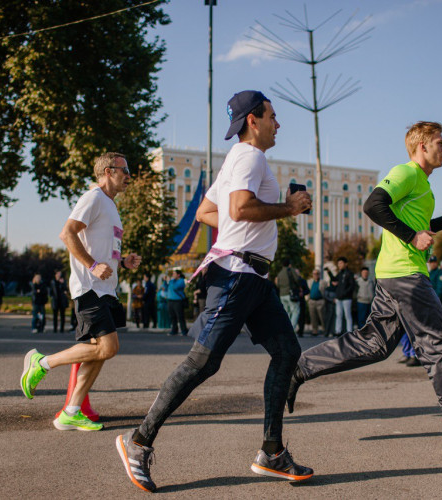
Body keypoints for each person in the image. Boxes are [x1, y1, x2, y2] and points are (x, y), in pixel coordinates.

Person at [117, 90, 313, 493]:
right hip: (237, 275)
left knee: (287, 352)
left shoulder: (235, 162)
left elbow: (211, 212)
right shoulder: (250, 156)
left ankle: (272, 453)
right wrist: (289, 208)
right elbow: (239, 209)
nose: (279, 124)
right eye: (273, 116)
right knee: (202, 363)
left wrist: (248, 222)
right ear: (254, 121)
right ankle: (137, 441)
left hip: (254, 277)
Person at [286, 121, 442, 455]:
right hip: (405, 276)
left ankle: (299, 367)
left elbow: (417, 224)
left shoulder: (423, 186)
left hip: (394, 274)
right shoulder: (407, 172)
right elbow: (373, 205)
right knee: (437, 345)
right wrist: (413, 237)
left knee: (375, 343)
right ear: (422, 146)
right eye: (440, 143)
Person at [19, 152, 141, 432]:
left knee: (99, 351)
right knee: (108, 347)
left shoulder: (109, 205)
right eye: (125, 170)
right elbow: (67, 234)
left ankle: (72, 411)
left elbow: (99, 246)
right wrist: (93, 265)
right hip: (89, 288)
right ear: (109, 171)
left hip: (106, 289)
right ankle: (42, 363)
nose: (129, 176)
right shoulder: (94, 197)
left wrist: (122, 261)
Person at [332, 257, 355, 334]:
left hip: (347, 298)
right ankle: (338, 331)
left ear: (346, 264)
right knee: (338, 315)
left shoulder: (349, 273)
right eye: (338, 263)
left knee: (347, 315)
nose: (339, 265)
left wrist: (344, 293)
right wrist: (329, 272)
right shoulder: (340, 274)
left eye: (341, 263)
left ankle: (349, 331)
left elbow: (352, 286)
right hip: (339, 298)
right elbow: (334, 280)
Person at [276, 258, 300, 329]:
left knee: (286, 312)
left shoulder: (280, 273)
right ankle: (291, 328)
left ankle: (286, 328)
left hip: (282, 295)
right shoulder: (290, 270)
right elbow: (297, 279)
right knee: (296, 310)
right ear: (289, 264)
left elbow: (278, 284)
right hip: (290, 294)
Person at [166, 269, 187, 336]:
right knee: (172, 316)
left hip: (178, 301)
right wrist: (166, 281)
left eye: (174, 274)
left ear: (178, 275)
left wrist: (170, 281)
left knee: (180, 316)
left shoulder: (181, 281)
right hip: (170, 300)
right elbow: (166, 286)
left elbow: (175, 287)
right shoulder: (172, 281)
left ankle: (184, 330)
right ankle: (174, 330)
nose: (173, 275)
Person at [307, 269, 327, 336]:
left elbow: (325, 291)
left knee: (322, 317)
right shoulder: (310, 282)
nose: (316, 275)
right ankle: (315, 331)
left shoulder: (323, 282)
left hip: (320, 301)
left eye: (317, 274)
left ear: (319, 274)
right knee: (313, 317)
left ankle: (325, 330)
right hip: (312, 301)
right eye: (314, 274)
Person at [295, 268, 309, 337]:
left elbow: (307, 290)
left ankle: (301, 331)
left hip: (301, 300)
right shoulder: (293, 281)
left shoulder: (303, 281)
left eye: (297, 272)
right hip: (295, 300)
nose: (296, 274)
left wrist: (303, 293)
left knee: (302, 316)